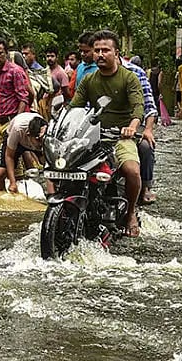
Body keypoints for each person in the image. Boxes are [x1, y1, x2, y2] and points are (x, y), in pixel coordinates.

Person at [69, 29, 144, 236]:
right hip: (93, 137)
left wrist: (132, 126)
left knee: (132, 170)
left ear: (116, 52)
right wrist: (60, 124)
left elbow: (139, 107)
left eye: (106, 50)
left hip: (120, 137)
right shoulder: (89, 80)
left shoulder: (129, 78)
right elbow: (74, 107)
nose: (100, 54)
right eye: (97, 50)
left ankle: (130, 212)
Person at [120, 56, 158, 204]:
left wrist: (148, 129)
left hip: (133, 125)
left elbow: (148, 106)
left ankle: (145, 187)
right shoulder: (93, 75)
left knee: (145, 147)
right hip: (104, 126)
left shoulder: (136, 72)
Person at [0, 111, 44, 194]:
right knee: (1, 172)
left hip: (35, 140)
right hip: (16, 140)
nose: (40, 142)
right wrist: (12, 182)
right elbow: (9, 156)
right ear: (28, 135)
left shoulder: (46, 131)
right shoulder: (17, 129)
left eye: (41, 139)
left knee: (43, 164)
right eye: (38, 140)